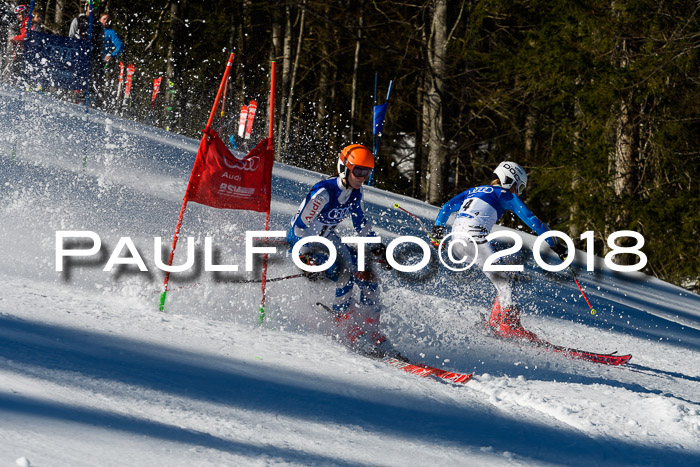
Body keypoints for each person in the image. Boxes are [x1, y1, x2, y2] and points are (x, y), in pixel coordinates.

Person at [431, 161, 567, 341]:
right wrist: (554, 242)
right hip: (474, 240)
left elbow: (447, 207)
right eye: (519, 187)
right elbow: (532, 219)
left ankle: (494, 323)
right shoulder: (504, 194)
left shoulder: (474, 190)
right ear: (510, 180)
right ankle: (509, 325)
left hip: (456, 242)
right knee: (504, 280)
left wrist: (438, 232)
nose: (518, 193)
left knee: (505, 276)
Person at [287, 144, 396, 357]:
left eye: (367, 172)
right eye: (359, 171)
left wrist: (377, 248)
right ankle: (345, 325)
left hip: (329, 240)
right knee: (344, 273)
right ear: (344, 167)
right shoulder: (324, 192)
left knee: (368, 275)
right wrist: (303, 257)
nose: (362, 177)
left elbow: (361, 226)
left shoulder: (355, 193)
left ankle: (371, 328)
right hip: (306, 244)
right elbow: (297, 228)